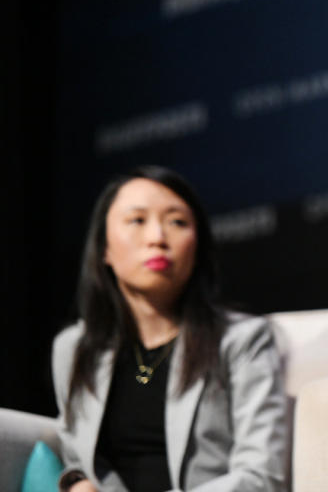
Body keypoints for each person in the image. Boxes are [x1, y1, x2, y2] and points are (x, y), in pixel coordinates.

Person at [52, 166, 289, 492]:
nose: (157, 238)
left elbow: (262, 476)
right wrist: (77, 483)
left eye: (177, 222)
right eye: (137, 220)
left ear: (198, 246)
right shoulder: (75, 348)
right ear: (104, 248)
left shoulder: (243, 340)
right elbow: (77, 456)